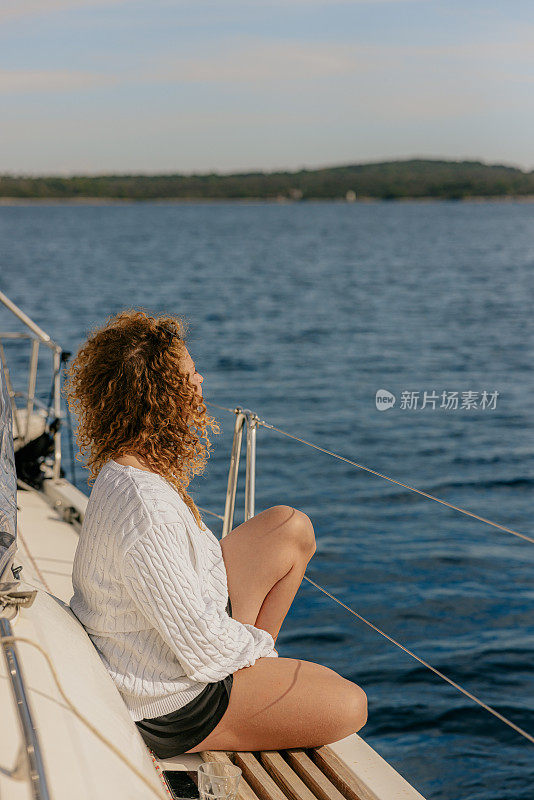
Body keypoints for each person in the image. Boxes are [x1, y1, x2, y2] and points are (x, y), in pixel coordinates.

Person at [65, 309, 367, 758]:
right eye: (190, 376)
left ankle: (253, 676)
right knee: (350, 704)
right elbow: (201, 649)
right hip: (168, 699)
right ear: (160, 398)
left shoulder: (130, 468)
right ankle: (246, 690)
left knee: (290, 528)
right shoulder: (145, 510)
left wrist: (243, 647)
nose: (202, 380)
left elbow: (198, 582)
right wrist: (258, 648)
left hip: (180, 641)